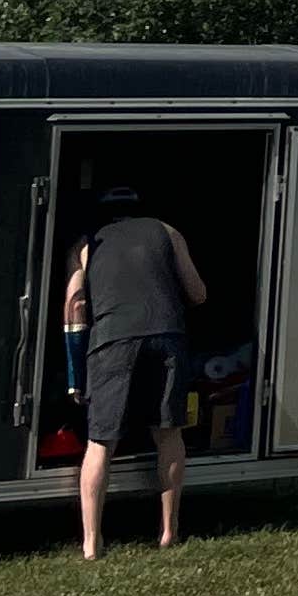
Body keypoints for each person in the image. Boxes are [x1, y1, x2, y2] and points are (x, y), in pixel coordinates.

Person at [64, 185, 208, 558]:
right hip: (167, 336)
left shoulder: (85, 244)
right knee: (168, 434)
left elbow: (76, 304)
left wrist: (74, 371)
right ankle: (168, 532)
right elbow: (197, 293)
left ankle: (92, 543)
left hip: (112, 340)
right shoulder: (167, 231)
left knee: (100, 442)